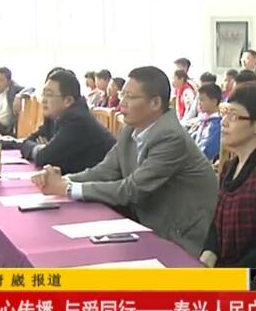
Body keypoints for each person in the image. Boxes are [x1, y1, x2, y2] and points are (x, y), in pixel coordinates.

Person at [32, 66, 219, 257]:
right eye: (122, 95)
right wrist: (64, 180)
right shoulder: (131, 129)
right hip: (143, 222)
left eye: (130, 97)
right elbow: (105, 170)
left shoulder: (171, 137)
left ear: (155, 103)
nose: (122, 103)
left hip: (177, 236)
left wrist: (67, 189)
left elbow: (132, 189)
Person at [200, 83, 256, 267]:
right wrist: (209, 254)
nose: (224, 122)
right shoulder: (229, 167)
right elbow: (217, 223)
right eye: (224, 113)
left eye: (233, 116)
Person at [20, 70, 115, 174]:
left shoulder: (77, 121)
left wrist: (43, 149)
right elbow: (28, 141)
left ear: (68, 101)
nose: (43, 100)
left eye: (49, 94)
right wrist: (43, 148)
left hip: (99, 180)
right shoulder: (54, 116)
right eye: (44, 94)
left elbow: (44, 158)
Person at [190, 83, 222, 162]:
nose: (199, 103)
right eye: (199, 99)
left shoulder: (218, 125)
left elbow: (208, 150)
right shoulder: (201, 121)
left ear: (214, 102)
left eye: (202, 99)